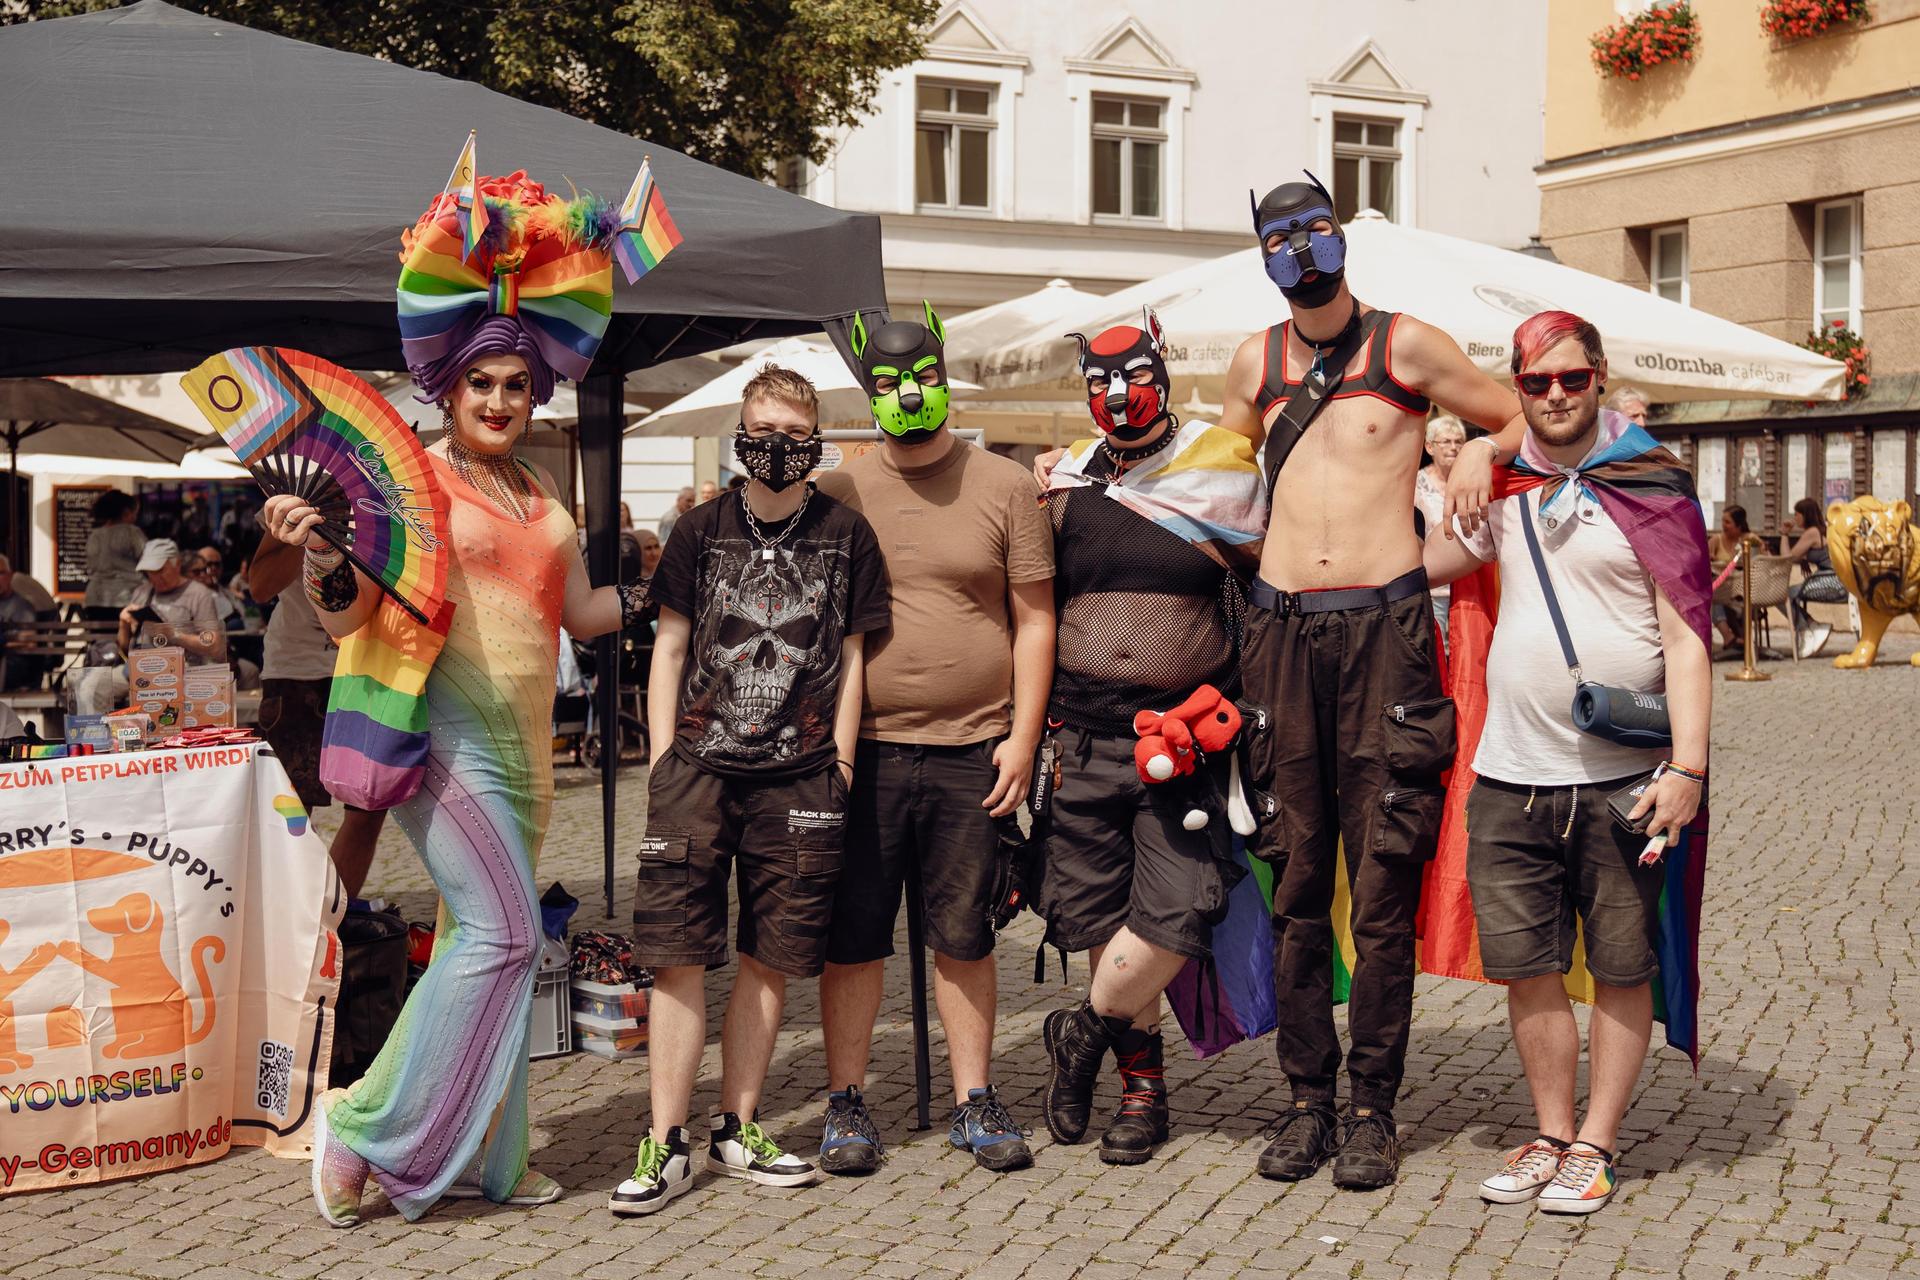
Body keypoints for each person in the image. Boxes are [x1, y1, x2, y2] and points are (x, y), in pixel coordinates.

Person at [263, 160, 650, 1227]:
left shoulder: (542, 496)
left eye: (516, 384)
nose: (498, 399)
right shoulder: (410, 482)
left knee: (508, 942)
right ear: (449, 388)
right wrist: (323, 562)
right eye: (481, 382)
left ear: (537, 395)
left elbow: (576, 615)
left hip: (529, 757)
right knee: (503, 937)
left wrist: (679, 583)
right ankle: (367, 1126)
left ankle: (499, 1156)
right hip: (441, 740)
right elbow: (348, 615)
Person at [1220, 173, 1529, 1190]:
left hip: (1384, 632)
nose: (1300, 248)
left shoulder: (1406, 344)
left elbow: (1517, 415)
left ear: (1341, 235)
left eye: (1313, 228)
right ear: (1261, 250)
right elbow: (1219, 495)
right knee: (1298, 881)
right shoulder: (1251, 363)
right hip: (1278, 636)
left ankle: (1371, 1105)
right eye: (1281, 234)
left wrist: (1484, 444)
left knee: (1384, 880)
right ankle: (1307, 1098)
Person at [1422, 311, 1711, 1215]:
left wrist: (1689, 771)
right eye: (1536, 383)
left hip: (1625, 775)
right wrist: (1425, 466)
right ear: (1518, 390)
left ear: (1598, 377)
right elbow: (1420, 563)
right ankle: (1551, 1131)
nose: (1555, 396)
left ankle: (1599, 1141)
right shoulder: (1500, 487)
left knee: (1622, 964)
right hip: (1510, 772)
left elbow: (1690, 638)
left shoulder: (1652, 482)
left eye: (1573, 380)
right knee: (1528, 965)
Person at [613, 366, 888, 1217]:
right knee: (676, 953)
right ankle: (667, 1142)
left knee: (771, 957)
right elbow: (667, 647)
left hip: (800, 773)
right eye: (762, 433)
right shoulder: (699, 530)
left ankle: (738, 1123)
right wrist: (662, 757)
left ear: (814, 441)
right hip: (697, 768)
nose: (777, 451)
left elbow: (850, 658)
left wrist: (839, 762)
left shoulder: (848, 533)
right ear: (742, 435)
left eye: (793, 437)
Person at [811, 304, 1055, 1176]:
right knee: (855, 934)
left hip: (974, 751)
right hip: (863, 754)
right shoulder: (837, 491)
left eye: (923, 378)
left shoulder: (1004, 485)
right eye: (889, 383)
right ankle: (846, 1102)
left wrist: (1024, 738)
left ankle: (973, 1098)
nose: (909, 395)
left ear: (945, 376)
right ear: (869, 389)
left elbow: (1034, 620)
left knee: (966, 935)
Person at [1034, 309, 1265, 1167]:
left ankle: (1083, 1031)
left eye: (1132, 376)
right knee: (1100, 917)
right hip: (1082, 738)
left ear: (1161, 371)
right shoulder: (1068, 481)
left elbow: (1269, 583)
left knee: (1177, 912)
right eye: (1099, 382)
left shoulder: (1219, 466)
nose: (1118, 395)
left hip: (1185, 741)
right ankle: (1143, 1095)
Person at [247, 528, 388, 898]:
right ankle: (284, 917)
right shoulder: (299, 493)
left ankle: (336, 925)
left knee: (368, 809)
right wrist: (304, 533)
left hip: (372, 667)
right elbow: (260, 587)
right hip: (299, 671)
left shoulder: (388, 495)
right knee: (291, 807)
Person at [117, 538, 227, 666]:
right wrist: (123, 624)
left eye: (160, 570)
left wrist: (174, 634)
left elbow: (214, 645)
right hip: (142, 667)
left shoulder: (199, 594)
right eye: (149, 572)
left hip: (182, 669)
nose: (155, 577)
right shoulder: (142, 592)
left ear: (178, 564)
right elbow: (124, 649)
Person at [1414, 415, 1467, 644]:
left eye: (1458, 441)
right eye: (1445, 441)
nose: (1453, 448)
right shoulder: (1415, 484)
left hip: (1467, 586)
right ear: (1429, 447)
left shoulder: (1470, 481)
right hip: (1432, 587)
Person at [1777, 498, 1840, 659]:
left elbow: (1786, 558)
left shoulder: (1812, 532)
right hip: (1837, 580)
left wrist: (1784, 533)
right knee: (1787, 594)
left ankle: (1806, 629)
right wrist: (1804, 559)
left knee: (1780, 595)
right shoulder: (1821, 530)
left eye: (1797, 514)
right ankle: (1813, 625)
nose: (1795, 518)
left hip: (1831, 581)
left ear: (1806, 515)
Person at [82, 490, 147, 622]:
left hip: (94, 598)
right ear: (126, 512)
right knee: (128, 640)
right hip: (126, 597)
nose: (135, 517)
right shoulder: (131, 532)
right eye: (135, 513)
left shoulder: (94, 535)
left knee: (101, 640)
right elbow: (147, 562)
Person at [1707, 506, 1750, 653]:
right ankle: (1728, 637)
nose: (1724, 525)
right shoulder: (1716, 540)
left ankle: (1734, 639)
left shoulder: (1747, 541)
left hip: (1742, 592)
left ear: (1739, 525)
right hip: (1721, 591)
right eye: (1723, 521)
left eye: (1728, 522)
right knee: (1713, 593)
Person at [0, 554, 43, 692]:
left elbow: (30, 643)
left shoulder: (23, 606)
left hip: (15, 666)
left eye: (1, 573)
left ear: (10, 576)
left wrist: (4, 643)